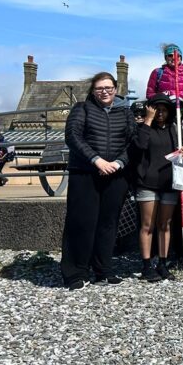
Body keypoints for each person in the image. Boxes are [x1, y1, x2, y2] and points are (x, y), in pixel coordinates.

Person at [60, 72, 135, 290]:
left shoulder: (125, 113)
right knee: (81, 222)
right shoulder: (81, 109)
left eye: (108, 87)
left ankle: (103, 270)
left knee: (108, 223)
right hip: (85, 172)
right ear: (93, 90)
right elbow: (73, 136)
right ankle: (75, 272)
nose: (105, 92)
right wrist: (97, 160)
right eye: (100, 88)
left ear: (115, 88)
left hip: (116, 174)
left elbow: (133, 142)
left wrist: (119, 163)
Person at [131, 93, 183, 282]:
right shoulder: (142, 128)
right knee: (147, 225)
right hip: (147, 182)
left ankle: (163, 263)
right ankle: (146, 265)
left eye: (164, 110)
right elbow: (139, 145)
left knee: (165, 225)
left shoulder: (176, 131)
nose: (160, 113)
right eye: (156, 109)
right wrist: (147, 120)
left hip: (169, 183)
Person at [146, 43, 183, 117]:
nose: (174, 58)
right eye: (170, 55)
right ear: (166, 58)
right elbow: (149, 94)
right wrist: (162, 96)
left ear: (181, 58)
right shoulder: (157, 73)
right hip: (164, 115)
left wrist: (171, 93)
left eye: (177, 55)